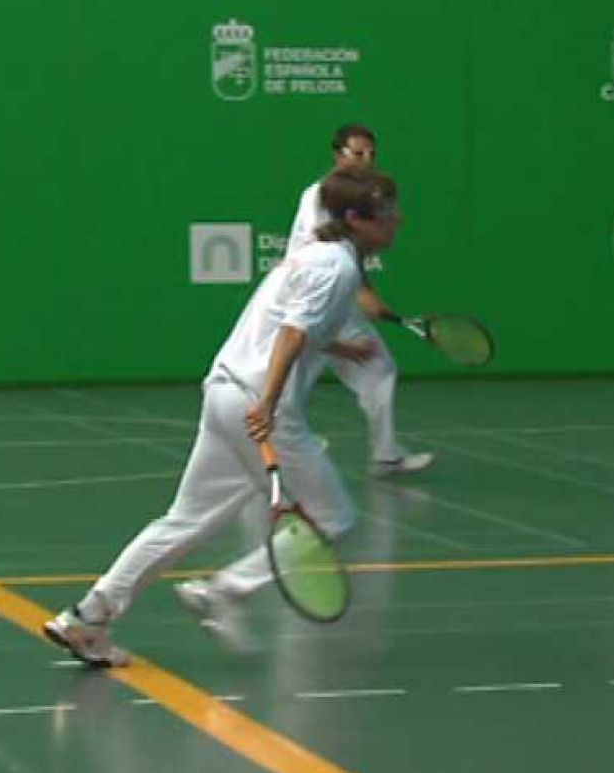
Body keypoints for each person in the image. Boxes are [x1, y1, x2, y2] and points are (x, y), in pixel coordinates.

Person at [42, 167, 405, 667]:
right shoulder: (336, 268)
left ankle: (87, 617)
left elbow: (291, 324)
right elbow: (292, 335)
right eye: (386, 213)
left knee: (185, 520)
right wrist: (270, 403)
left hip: (223, 391)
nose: (397, 221)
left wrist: (336, 344)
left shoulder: (315, 258)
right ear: (354, 219)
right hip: (260, 404)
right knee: (334, 518)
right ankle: (227, 590)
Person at [288, 125, 432, 477]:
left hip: (340, 301)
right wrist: (363, 293)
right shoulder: (320, 195)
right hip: (309, 298)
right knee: (292, 380)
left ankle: (386, 456)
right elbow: (325, 248)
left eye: (371, 153)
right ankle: (271, 451)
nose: (366, 159)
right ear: (338, 155)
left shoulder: (365, 197)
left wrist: (362, 292)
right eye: (357, 153)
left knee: (378, 369)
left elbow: (353, 251)